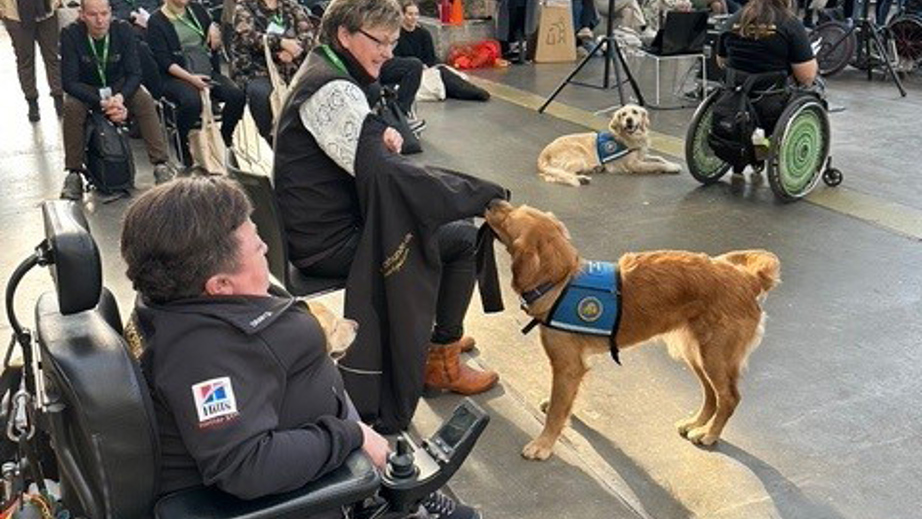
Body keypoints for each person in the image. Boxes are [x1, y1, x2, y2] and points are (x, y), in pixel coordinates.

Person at [122, 177, 481, 519]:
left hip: (319, 432)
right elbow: (245, 466)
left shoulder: (175, 298)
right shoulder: (202, 358)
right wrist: (350, 436)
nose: (265, 249)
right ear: (219, 285)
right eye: (258, 249)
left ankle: (410, 489)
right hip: (313, 490)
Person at [273, 0, 505, 434]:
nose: (389, 53)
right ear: (344, 36)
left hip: (316, 226)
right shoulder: (334, 89)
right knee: (462, 236)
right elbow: (384, 172)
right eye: (380, 41)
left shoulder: (320, 69)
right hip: (327, 243)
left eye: (394, 42)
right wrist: (478, 194)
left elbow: (366, 151)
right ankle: (441, 359)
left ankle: (430, 338)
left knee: (435, 223)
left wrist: (378, 134)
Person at [59, 0, 173, 201]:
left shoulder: (123, 30)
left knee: (144, 99)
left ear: (111, 12)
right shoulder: (70, 34)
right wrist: (101, 102)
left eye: (104, 13)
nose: (100, 20)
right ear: (82, 14)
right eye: (93, 14)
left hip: (119, 87)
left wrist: (119, 98)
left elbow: (135, 73)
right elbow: (69, 82)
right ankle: (74, 172)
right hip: (88, 90)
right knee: (71, 107)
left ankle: (160, 164)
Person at [148, 0, 246, 166]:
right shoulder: (157, 21)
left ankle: (224, 137)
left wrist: (215, 29)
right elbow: (165, 62)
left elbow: (211, 33)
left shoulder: (196, 10)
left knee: (236, 95)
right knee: (192, 102)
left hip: (204, 69)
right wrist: (191, 79)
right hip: (175, 75)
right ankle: (181, 137)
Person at [230, 0, 317, 143]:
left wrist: (294, 49)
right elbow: (247, 37)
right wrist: (280, 43)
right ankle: (273, 140)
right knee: (262, 94)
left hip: (292, 67)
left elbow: (309, 34)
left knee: (314, 88)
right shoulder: (245, 7)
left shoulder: (291, 5)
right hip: (257, 69)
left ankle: (305, 141)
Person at [393, 0, 489, 101]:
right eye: (410, 14)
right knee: (444, 79)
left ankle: (475, 92)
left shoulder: (424, 33)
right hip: (411, 72)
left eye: (416, 14)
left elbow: (430, 57)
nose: (414, 18)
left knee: (446, 74)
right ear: (403, 15)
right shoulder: (397, 35)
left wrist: (427, 66)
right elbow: (397, 59)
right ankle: (474, 93)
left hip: (427, 68)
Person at [716, 0, 817, 86]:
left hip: (735, 91)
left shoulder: (732, 21)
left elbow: (721, 62)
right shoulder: (790, 23)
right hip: (772, 96)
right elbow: (806, 77)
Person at [0, 0, 63, 121]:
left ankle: (58, 97)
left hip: (47, 12)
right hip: (15, 15)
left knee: (53, 57)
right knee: (25, 60)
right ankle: (32, 101)